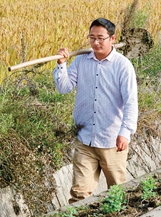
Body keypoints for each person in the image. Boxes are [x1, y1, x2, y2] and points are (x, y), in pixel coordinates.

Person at [54, 18, 138, 204]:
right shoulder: (81, 61)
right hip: (85, 138)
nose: (96, 42)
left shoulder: (123, 66)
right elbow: (64, 88)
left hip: (112, 140)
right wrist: (61, 65)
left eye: (101, 38)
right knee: (79, 194)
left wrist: (125, 133)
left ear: (112, 38)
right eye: (92, 38)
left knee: (117, 191)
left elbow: (131, 102)